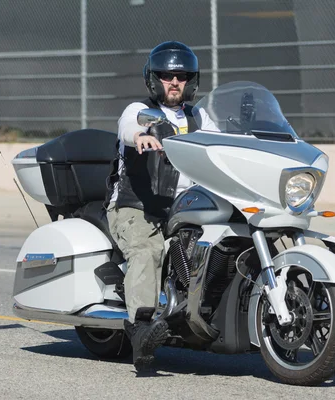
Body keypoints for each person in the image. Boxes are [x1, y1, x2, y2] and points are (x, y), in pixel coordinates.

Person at [105, 41, 205, 372]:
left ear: (191, 79)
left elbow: (227, 140)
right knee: (148, 251)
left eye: (181, 75)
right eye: (166, 75)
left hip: (183, 208)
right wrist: (140, 136)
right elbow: (129, 126)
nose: (174, 82)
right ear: (153, 78)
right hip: (135, 207)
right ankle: (141, 331)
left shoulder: (200, 116)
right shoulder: (138, 110)